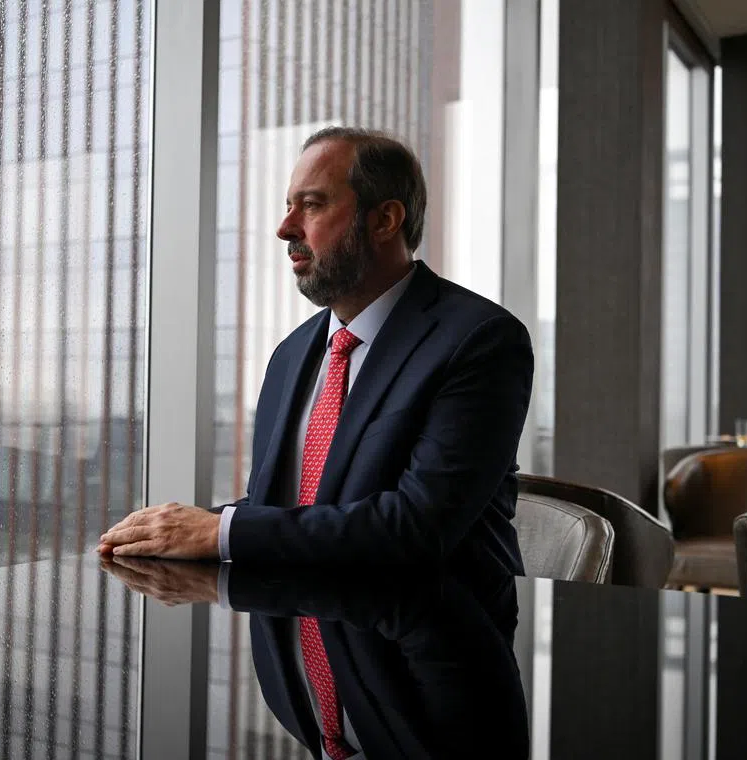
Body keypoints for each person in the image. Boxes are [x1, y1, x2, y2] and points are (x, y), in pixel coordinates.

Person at [96, 126, 533, 578]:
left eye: (311, 205)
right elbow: (280, 508)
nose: (285, 228)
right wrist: (174, 532)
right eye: (289, 206)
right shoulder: (291, 354)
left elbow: (418, 526)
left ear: (385, 220)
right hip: (292, 611)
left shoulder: (480, 340)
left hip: (433, 613)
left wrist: (218, 532)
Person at [103, 556, 530, 759]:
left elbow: (410, 521)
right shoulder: (293, 386)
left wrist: (218, 531)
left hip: (439, 682)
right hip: (320, 714)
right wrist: (189, 531)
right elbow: (283, 495)